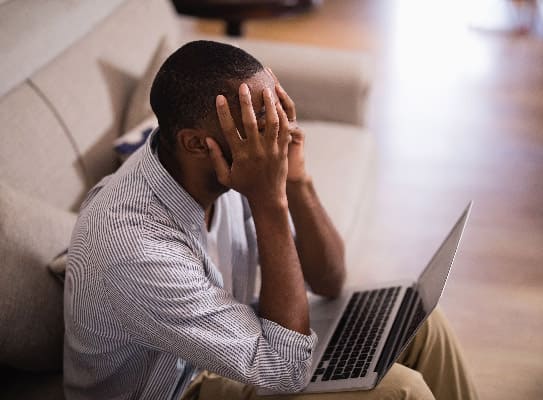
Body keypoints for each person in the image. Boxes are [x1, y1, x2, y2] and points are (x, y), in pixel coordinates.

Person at [63, 40, 478, 400]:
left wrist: (295, 182)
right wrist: (269, 199)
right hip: (178, 390)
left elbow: (329, 279)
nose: (276, 137)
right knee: (401, 392)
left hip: (226, 350)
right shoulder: (132, 245)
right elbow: (285, 368)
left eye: (278, 113)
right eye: (260, 124)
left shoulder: (230, 168)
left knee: (423, 324)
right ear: (195, 142)